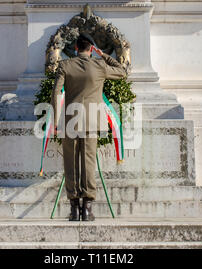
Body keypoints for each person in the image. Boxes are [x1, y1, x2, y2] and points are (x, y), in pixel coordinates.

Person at [51, 34, 126, 221]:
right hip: (92, 120)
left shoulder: (65, 66)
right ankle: (88, 207)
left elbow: (56, 92)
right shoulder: (99, 66)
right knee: (88, 162)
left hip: (71, 120)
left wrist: (54, 120)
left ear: (76, 47)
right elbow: (122, 71)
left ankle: (75, 207)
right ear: (91, 49)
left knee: (71, 163)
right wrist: (104, 55)